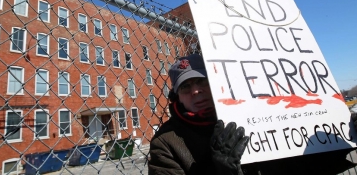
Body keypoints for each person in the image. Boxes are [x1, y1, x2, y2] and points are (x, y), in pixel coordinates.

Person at [149, 54, 357, 175]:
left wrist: (337, 143)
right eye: (186, 86)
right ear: (178, 98)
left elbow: (300, 167)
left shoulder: (255, 113)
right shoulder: (166, 142)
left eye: (202, 81)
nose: (196, 91)